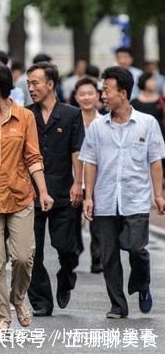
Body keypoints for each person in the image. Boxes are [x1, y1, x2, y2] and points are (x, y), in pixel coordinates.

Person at [0, 59, 53, 333]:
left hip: (20, 194)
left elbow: (33, 156)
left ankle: (18, 298)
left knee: (24, 257)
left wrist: (43, 191)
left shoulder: (25, 117)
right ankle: (1, 317)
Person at [80, 66, 165, 318]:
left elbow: (155, 161)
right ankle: (118, 305)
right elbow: (90, 161)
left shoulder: (147, 124)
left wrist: (158, 194)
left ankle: (142, 283)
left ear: (123, 93)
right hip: (105, 199)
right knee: (109, 256)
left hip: (136, 198)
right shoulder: (97, 126)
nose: (102, 96)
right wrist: (88, 197)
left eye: (106, 90)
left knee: (136, 248)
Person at [25, 62, 85, 317]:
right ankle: (41, 301)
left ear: (51, 84)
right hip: (31, 192)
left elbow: (77, 151)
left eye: (35, 83)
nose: (31, 88)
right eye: (28, 84)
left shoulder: (71, 114)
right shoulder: (26, 114)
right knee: (30, 252)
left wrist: (78, 183)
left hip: (63, 189)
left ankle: (66, 274)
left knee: (66, 246)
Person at [73, 77, 103, 273]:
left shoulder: (104, 122)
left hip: (98, 179)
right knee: (73, 220)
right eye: (82, 94)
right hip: (74, 178)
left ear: (98, 96)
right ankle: (76, 250)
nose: (86, 98)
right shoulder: (70, 121)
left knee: (98, 222)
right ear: (76, 97)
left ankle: (97, 258)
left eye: (90, 93)